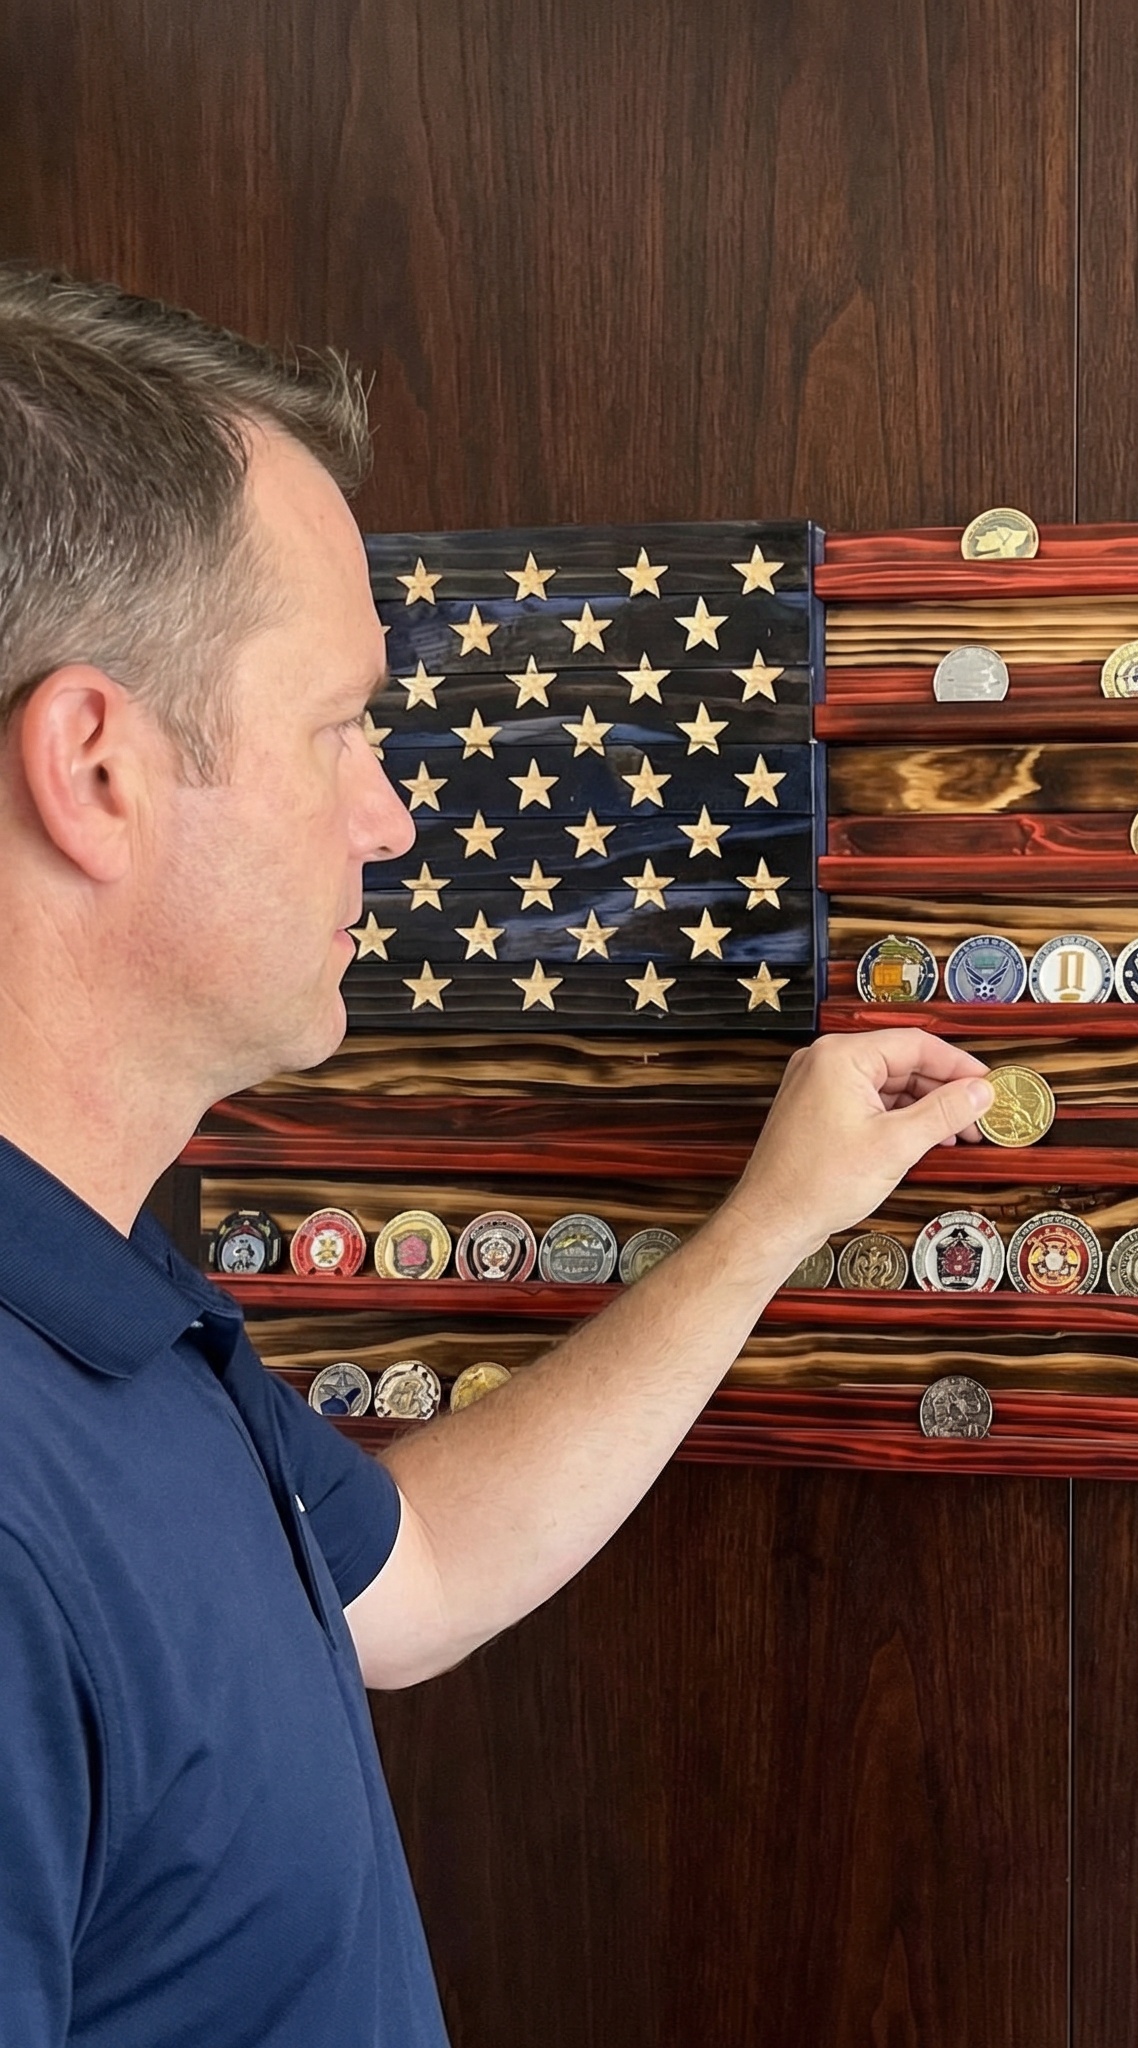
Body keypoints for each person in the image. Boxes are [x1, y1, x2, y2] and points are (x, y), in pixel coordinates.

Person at [0, 265, 992, 2047]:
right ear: (97, 768)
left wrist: (769, 1225)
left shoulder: (110, 1305)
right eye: (339, 726)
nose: (389, 815)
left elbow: (415, 1586)